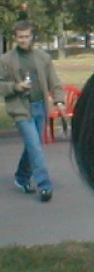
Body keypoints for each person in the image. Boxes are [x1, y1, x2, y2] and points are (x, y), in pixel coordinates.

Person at [0, 20, 66, 203]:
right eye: (20, 37)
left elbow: (55, 82)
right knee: (35, 146)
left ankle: (21, 177)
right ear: (15, 38)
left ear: (32, 37)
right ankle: (45, 186)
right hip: (21, 108)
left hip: (40, 106)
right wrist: (16, 86)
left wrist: (59, 100)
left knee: (33, 146)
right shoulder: (6, 60)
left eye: (27, 36)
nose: (23, 40)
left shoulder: (43, 57)